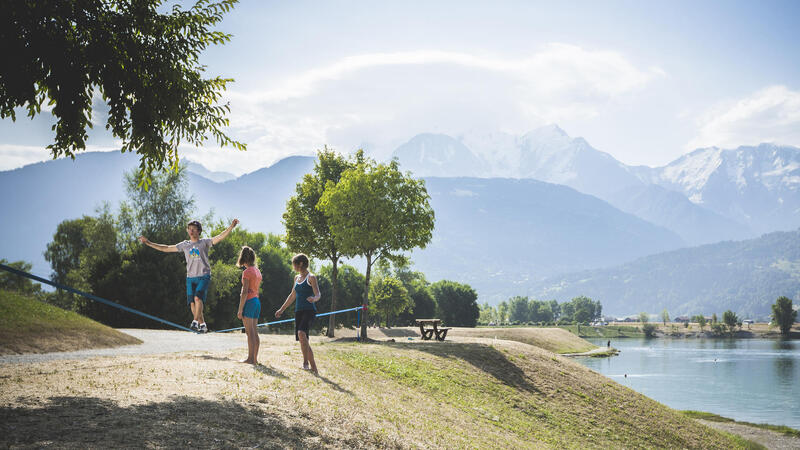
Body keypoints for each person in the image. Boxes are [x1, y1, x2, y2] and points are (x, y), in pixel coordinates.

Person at [139, 218, 239, 332]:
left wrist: (231, 227)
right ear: (187, 231)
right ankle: (203, 325)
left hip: (204, 275)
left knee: (198, 298)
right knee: (192, 304)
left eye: (194, 229)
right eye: (189, 229)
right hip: (190, 278)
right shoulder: (184, 245)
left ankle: (195, 322)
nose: (191, 231)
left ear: (199, 231)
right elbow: (166, 248)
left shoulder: (204, 242)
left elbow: (220, 237)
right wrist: (148, 243)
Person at [275, 254, 320, 374]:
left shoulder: (311, 277)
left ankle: (310, 365)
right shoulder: (296, 278)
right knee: (303, 338)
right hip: (298, 311)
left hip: (309, 310)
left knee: (301, 333)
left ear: (300, 264)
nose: (293, 266)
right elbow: (292, 295)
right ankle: (308, 365)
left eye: (294, 263)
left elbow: (318, 294)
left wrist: (314, 298)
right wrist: (281, 309)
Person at [237, 246, 262, 365]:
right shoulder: (257, 271)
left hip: (250, 301)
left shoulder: (247, 272)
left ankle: (250, 359)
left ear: (243, 258)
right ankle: (254, 359)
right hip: (257, 301)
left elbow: (245, 292)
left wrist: (240, 309)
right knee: (254, 332)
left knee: (249, 332)